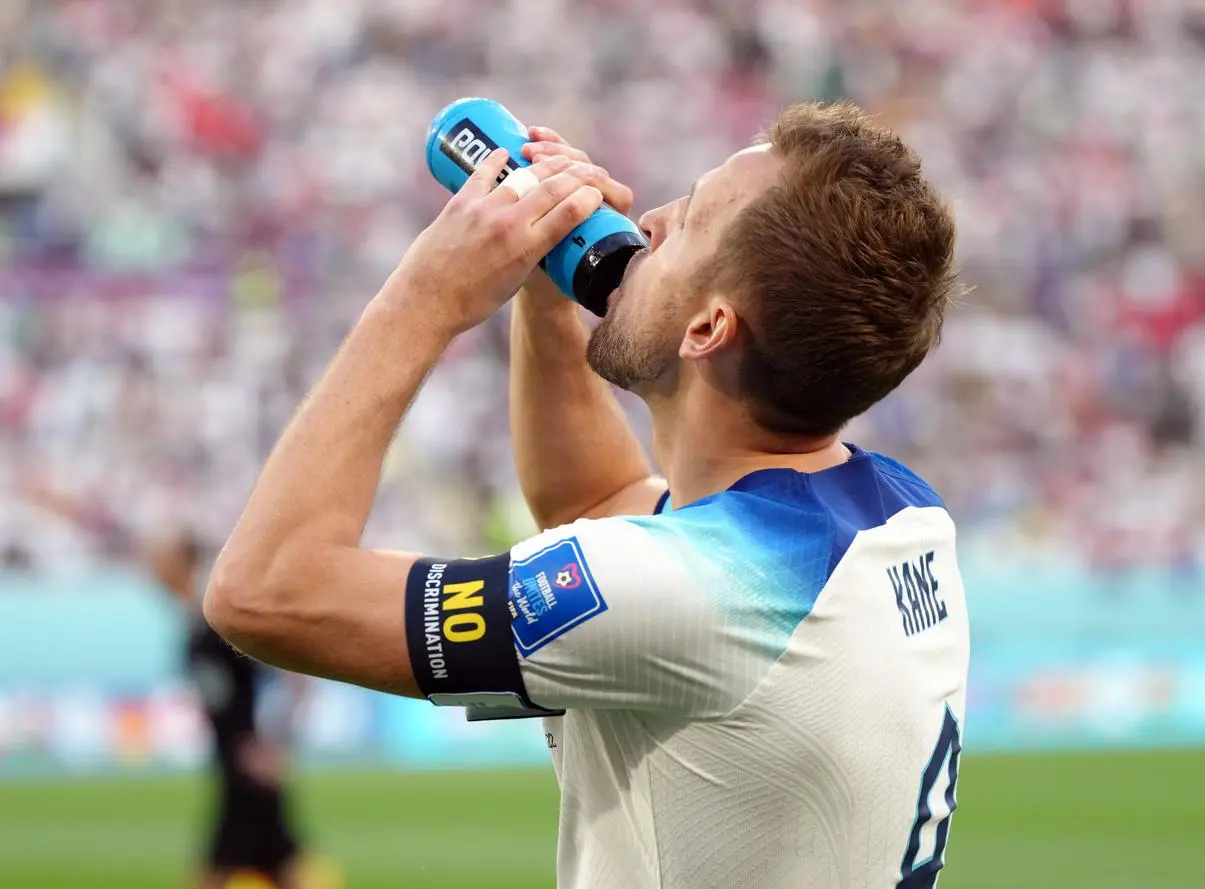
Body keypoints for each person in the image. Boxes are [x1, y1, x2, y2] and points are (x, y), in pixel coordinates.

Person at [204, 100, 970, 889]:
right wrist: (548, 286)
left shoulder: (699, 594)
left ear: (707, 329)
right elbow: (598, 501)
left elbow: (264, 590)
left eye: (692, 218)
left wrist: (423, 296)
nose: (656, 219)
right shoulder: (899, 513)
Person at [20, 480, 316, 889]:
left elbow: (295, 672)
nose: (150, 563)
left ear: (182, 562)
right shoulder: (192, 624)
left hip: (247, 776)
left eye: (160, 555)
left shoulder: (218, 625)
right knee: (282, 872)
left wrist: (277, 742)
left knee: (221, 875)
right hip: (234, 774)